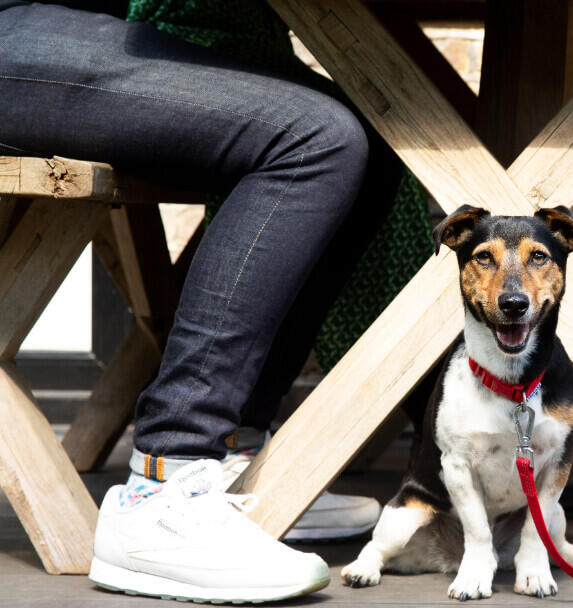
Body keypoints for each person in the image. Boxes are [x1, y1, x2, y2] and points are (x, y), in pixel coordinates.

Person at [0, 0, 411, 602]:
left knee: (375, 142)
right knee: (315, 139)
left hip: (80, 21)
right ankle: (164, 482)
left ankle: (227, 458)